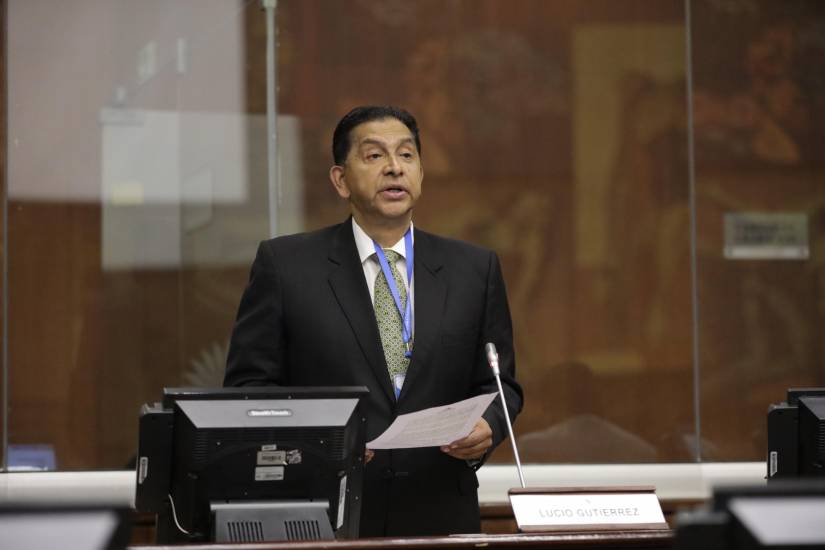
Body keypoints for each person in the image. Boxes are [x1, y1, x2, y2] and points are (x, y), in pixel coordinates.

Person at [224, 105, 522, 537]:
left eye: (406, 156)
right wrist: (319, 441)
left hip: (440, 512)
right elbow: (249, 390)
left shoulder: (473, 270)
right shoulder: (287, 267)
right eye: (374, 156)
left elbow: (501, 384)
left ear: (420, 173)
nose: (394, 168)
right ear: (340, 180)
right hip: (327, 514)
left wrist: (489, 426)